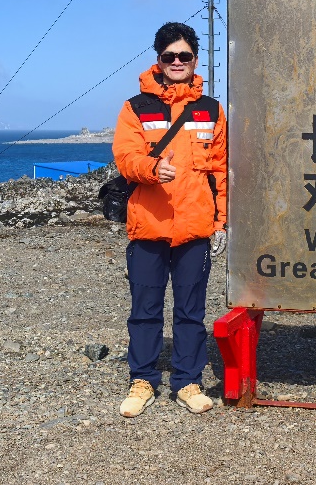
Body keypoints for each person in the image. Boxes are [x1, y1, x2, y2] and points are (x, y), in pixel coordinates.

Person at [112, 22, 227, 417]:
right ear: (158, 61)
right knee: (144, 309)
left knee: (191, 311)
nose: (177, 62)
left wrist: (221, 222)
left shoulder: (211, 110)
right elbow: (125, 157)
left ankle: (188, 381)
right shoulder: (135, 107)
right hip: (149, 225)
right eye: (169, 56)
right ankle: (142, 380)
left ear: (195, 60)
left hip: (195, 227)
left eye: (185, 56)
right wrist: (149, 168)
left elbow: (220, 170)